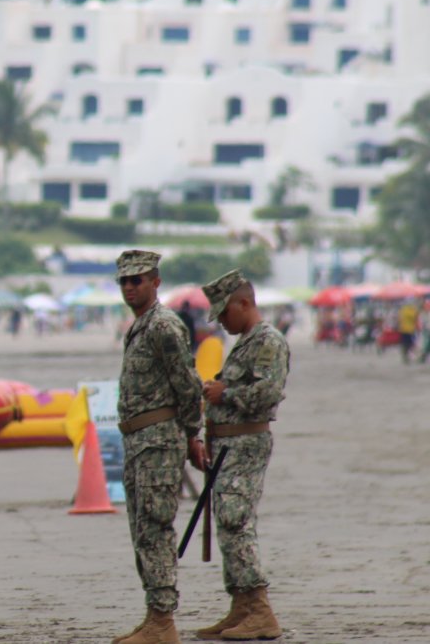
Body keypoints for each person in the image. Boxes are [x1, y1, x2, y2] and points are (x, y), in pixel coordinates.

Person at [112, 250, 204, 644]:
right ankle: (155, 616)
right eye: (125, 282)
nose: (130, 287)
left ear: (156, 281)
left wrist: (191, 436)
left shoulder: (163, 325)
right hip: (139, 440)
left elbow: (187, 383)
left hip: (158, 441)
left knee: (155, 527)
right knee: (142, 530)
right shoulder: (141, 325)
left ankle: (163, 622)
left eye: (138, 280)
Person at [192, 270, 287, 641]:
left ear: (243, 303)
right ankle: (242, 607)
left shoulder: (267, 341)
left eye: (224, 314)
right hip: (230, 444)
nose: (222, 322)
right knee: (229, 525)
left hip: (246, 444)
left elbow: (268, 392)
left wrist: (224, 394)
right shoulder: (248, 341)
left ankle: (260, 609)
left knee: (236, 522)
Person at [397, 299, 419, 364]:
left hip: (403, 329)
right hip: (409, 330)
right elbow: (414, 317)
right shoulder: (410, 310)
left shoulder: (402, 310)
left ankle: (406, 356)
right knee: (410, 344)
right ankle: (408, 356)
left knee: (405, 344)